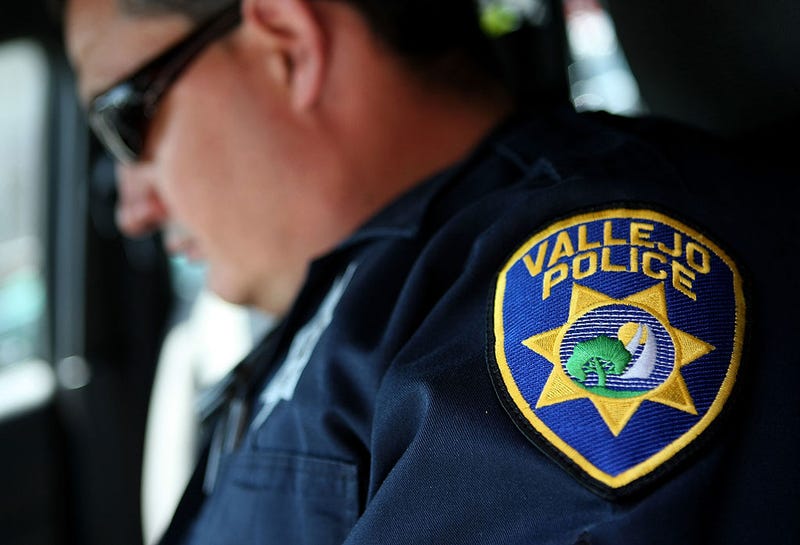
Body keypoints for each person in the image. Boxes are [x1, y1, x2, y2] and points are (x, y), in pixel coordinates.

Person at [59, 0, 799, 544]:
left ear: (289, 42)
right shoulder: (374, 289)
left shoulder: (578, 268)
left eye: (124, 122)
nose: (134, 206)